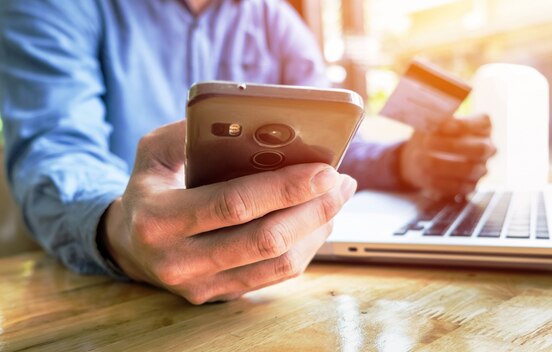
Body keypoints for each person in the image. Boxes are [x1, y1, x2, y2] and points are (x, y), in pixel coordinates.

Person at [0, 0, 495, 304]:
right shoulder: (55, 5)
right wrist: (122, 230)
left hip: (272, 295)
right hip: (93, 292)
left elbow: (333, 143)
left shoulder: (275, 18)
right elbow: (56, 147)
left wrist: (408, 160)